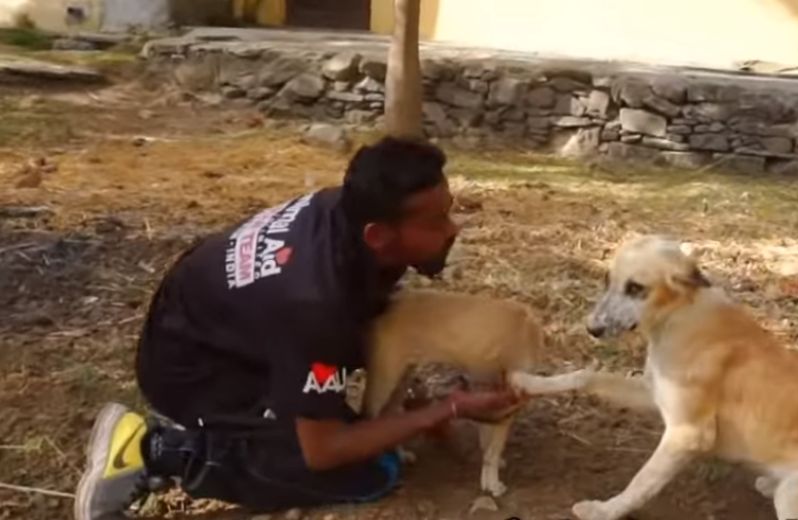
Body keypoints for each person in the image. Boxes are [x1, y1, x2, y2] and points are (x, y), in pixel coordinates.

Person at [74, 137, 522, 520]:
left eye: (450, 212)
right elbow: (323, 451)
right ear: (379, 237)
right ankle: (158, 448)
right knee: (368, 471)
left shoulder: (346, 213)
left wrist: (407, 401)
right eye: (435, 222)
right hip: (196, 374)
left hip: (217, 328)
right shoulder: (316, 303)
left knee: (367, 431)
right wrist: (448, 409)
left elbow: (364, 324)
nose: (454, 228)